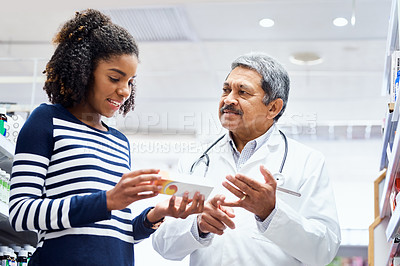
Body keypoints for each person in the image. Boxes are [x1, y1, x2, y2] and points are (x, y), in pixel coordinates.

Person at [8, 9, 204, 265]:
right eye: (114, 78)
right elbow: (22, 213)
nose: (124, 91)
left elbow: (115, 233)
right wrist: (107, 200)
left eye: (131, 81)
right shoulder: (46, 121)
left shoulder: (119, 142)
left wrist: (154, 216)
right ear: (84, 70)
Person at [152, 52, 341, 265]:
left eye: (243, 92)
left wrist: (271, 213)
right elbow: (163, 245)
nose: (228, 99)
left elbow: (324, 249)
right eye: (226, 90)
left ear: (273, 108)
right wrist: (198, 226)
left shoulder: (308, 162)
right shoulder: (195, 160)